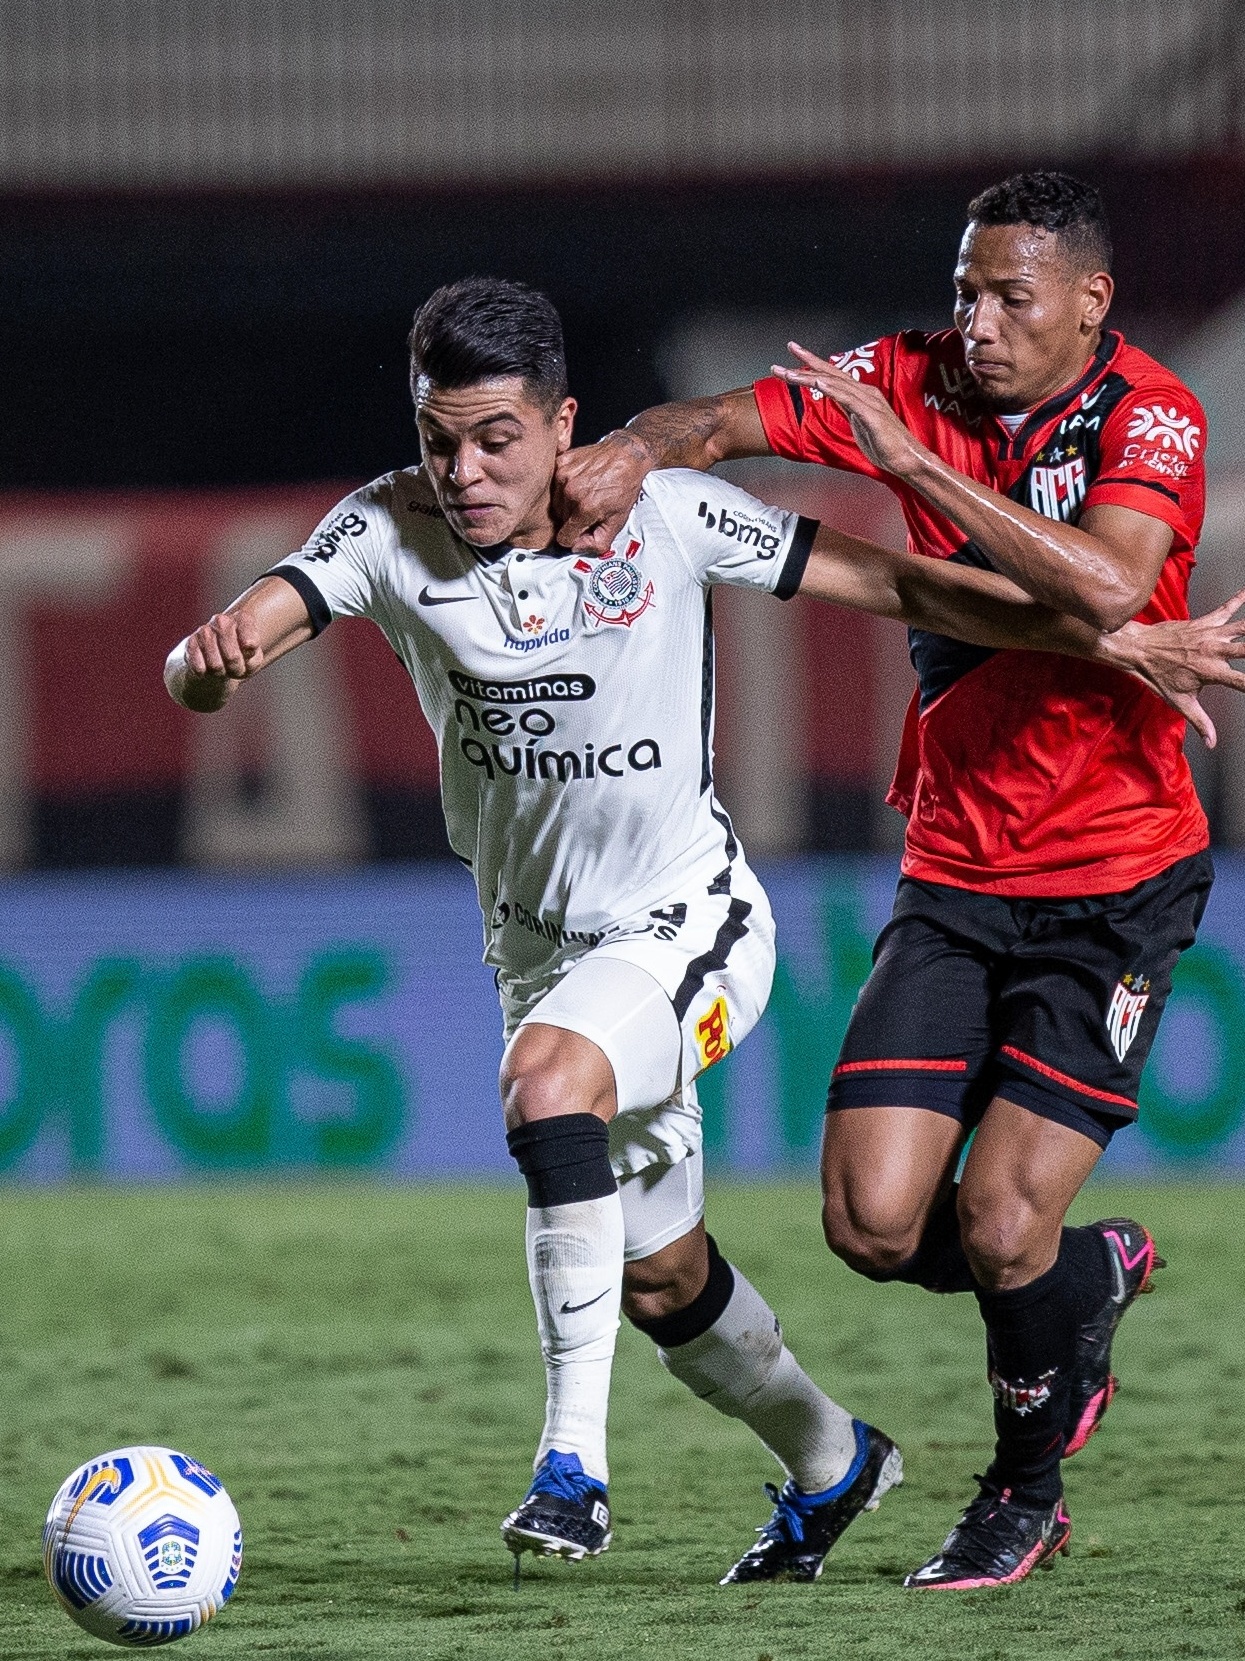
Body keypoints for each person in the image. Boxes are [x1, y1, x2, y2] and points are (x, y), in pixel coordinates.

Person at [165, 274, 1243, 1589]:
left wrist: (1114, 637)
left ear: (564, 426)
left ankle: (571, 1467)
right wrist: (208, 666)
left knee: (546, 1085)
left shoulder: (666, 520)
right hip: (541, 957)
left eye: (495, 438)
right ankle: (832, 1456)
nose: (463, 468)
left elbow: (903, 585)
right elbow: (237, 636)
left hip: (691, 923)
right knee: (661, 1278)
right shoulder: (386, 527)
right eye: (439, 437)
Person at [553, 171, 1244, 1588]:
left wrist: (915, 468)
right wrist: (635, 447)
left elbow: (1108, 592)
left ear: (1088, 302)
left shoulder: (1149, 414)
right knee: (872, 1224)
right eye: (962, 293)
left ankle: (1020, 1492)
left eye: (1010, 297)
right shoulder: (902, 375)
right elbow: (726, 421)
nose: (975, 325)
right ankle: (1081, 1278)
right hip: (953, 868)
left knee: (996, 1217)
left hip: (1115, 875)